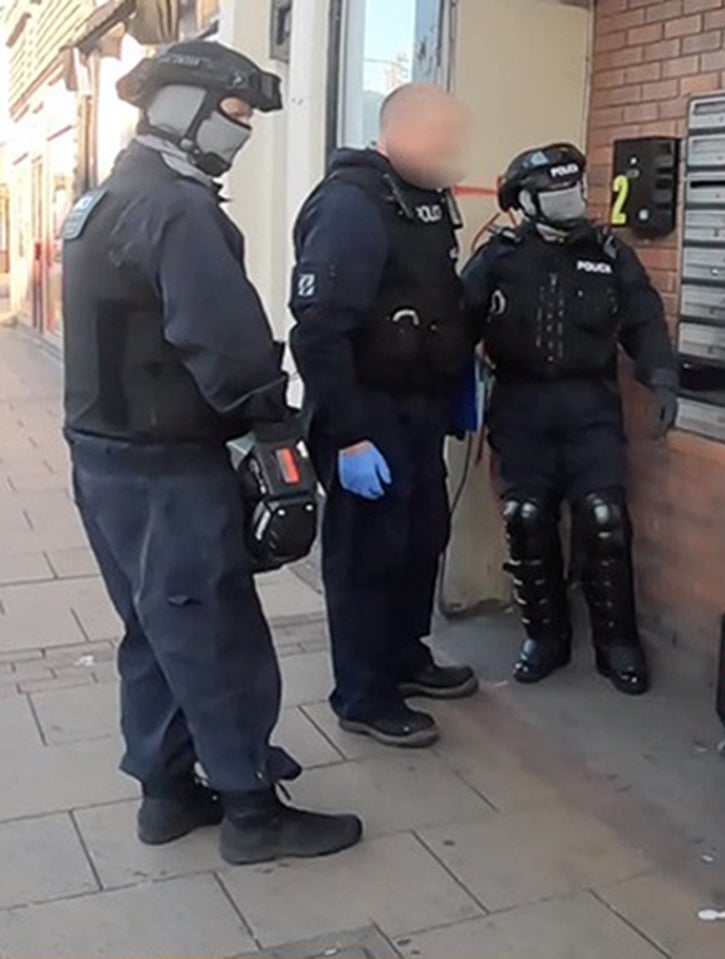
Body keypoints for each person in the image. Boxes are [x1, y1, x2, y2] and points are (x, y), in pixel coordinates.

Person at [61, 41, 362, 865]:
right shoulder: (177, 209)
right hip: (166, 469)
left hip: (106, 461)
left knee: (153, 627)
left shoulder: (101, 200)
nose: (243, 134)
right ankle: (252, 809)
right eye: (232, 114)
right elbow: (225, 343)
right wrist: (275, 438)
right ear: (176, 108)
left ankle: (165, 793)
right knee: (214, 628)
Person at [289, 83, 479, 749]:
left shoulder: (423, 200)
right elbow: (316, 333)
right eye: (442, 138)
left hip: (418, 408)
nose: (454, 153)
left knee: (421, 537)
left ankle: (404, 655)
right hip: (364, 411)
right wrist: (348, 437)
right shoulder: (351, 204)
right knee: (368, 554)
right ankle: (363, 692)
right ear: (397, 132)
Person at [461, 143, 678, 696]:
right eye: (558, 193)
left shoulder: (608, 254)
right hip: (523, 405)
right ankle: (545, 637)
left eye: (576, 189)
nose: (572, 200)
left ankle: (618, 645)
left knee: (603, 518)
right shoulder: (501, 255)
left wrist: (661, 375)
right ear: (528, 202)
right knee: (527, 517)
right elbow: (457, 322)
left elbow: (644, 319)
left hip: (590, 408)